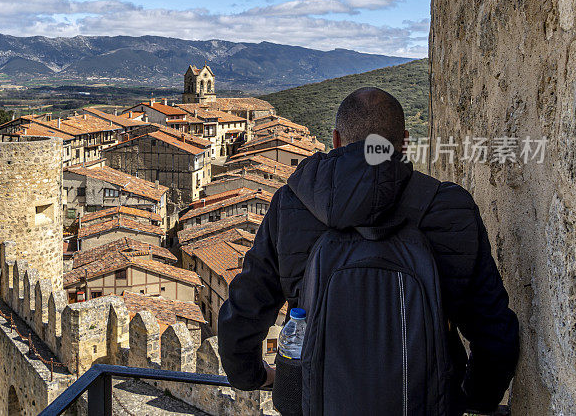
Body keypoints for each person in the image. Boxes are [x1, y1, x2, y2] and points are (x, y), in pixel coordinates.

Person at [217, 87, 519, 415]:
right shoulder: (449, 207)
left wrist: (252, 375)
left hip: (311, 402)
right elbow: (494, 331)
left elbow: (245, 309)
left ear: (335, 140)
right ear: (403, 142)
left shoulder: (292, 205)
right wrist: (475, 399)